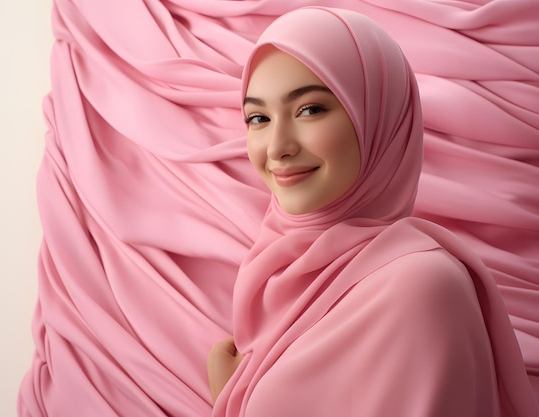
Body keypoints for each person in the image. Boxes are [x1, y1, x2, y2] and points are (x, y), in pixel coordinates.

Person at [207, 7, 538, 417]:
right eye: (258, 118)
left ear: (379, 116)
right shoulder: (273, 270)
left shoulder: (420, 288)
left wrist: (230, 399)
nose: (277, 147)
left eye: (310, 110)